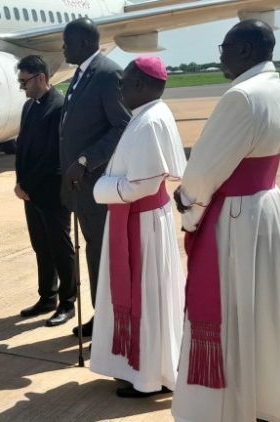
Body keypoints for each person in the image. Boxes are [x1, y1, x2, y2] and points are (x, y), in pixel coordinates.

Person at [171, 20, 280, 422]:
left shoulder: (240, 96)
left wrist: (188, 206)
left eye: (225, 48)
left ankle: (224, 408)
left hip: (237, 216)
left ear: (244, 51)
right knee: (267, 313)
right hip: (268, 207)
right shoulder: (277, 88)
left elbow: (203, 171)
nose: (220, 55)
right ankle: (266, 402)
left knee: (233, 313)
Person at [90, 56, 187, 398]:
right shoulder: (147, 115)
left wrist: (100, 188)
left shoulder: (148, 122)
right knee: (150, 297)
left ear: (142, 85)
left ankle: (148, 376)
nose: (119, 87)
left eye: (124, 80)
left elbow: (142, 185)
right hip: (139, 220)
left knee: (147, 297)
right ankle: (143, 368)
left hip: (141, 222)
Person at [59, 18, 130, 337]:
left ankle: (112, 320)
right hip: (82, 187)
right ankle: (102, 315)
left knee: (102, 252)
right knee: (93, 251)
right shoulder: (82, 72)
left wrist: (86, 160)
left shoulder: (106, 74)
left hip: (97, 183)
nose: (63, 48)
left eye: (67, 42)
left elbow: (122, 125)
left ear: (85, 43)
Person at [14, 55, 77, 327]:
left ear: (41, 77)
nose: (21, 87)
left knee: (60, 247)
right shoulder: (29, 107)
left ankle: (68, 302)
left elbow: (53, 155)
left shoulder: (59, 107)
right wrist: (20, 182)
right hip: (30, 192)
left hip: (52, 192)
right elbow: (23, 149)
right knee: (41, 246)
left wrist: (26, 183)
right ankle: (47, 297)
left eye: (24, 81)